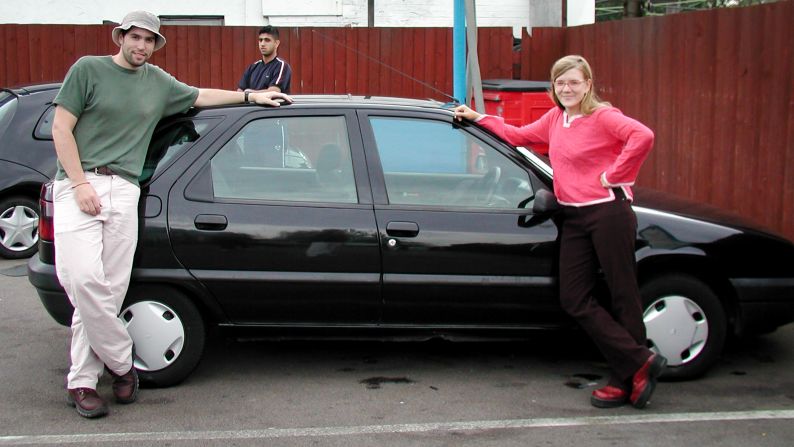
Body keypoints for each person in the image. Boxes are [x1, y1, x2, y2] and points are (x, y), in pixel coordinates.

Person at [51, 10, 291, 419]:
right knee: (84, 281)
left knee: (107, 292)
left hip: (124, 190)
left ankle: (83, 382)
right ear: (120, 37)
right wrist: (79, 185)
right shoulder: (88, 70)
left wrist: (252, 96)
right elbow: (61, 127)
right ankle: (123, 363)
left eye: (150, 41)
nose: (142, 46)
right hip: (79, 185)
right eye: (136, 38)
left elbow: (199, 95)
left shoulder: (158, 82)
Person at [454, 55, 665, 410]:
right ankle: (639, 361)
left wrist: (614, 175)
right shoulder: (556, 118)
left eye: (573, 82)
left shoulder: (603, 116)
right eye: (560, 83)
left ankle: (625, 376)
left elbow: (642, 136)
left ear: (588, 85)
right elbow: (518, 135)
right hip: (574, 218)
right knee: (574, 297)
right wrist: (479, 118)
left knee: (622, 295)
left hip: (607, 213)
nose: (566, 89)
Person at [237, 26, 292, 94]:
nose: (262, 44)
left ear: (276, 43)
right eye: (260, 40)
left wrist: (249, 93)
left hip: (273, 104)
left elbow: (274, 92)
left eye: (267, 40)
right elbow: (240, 92)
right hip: (251, 105)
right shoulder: (253, 67)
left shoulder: (281, 66)